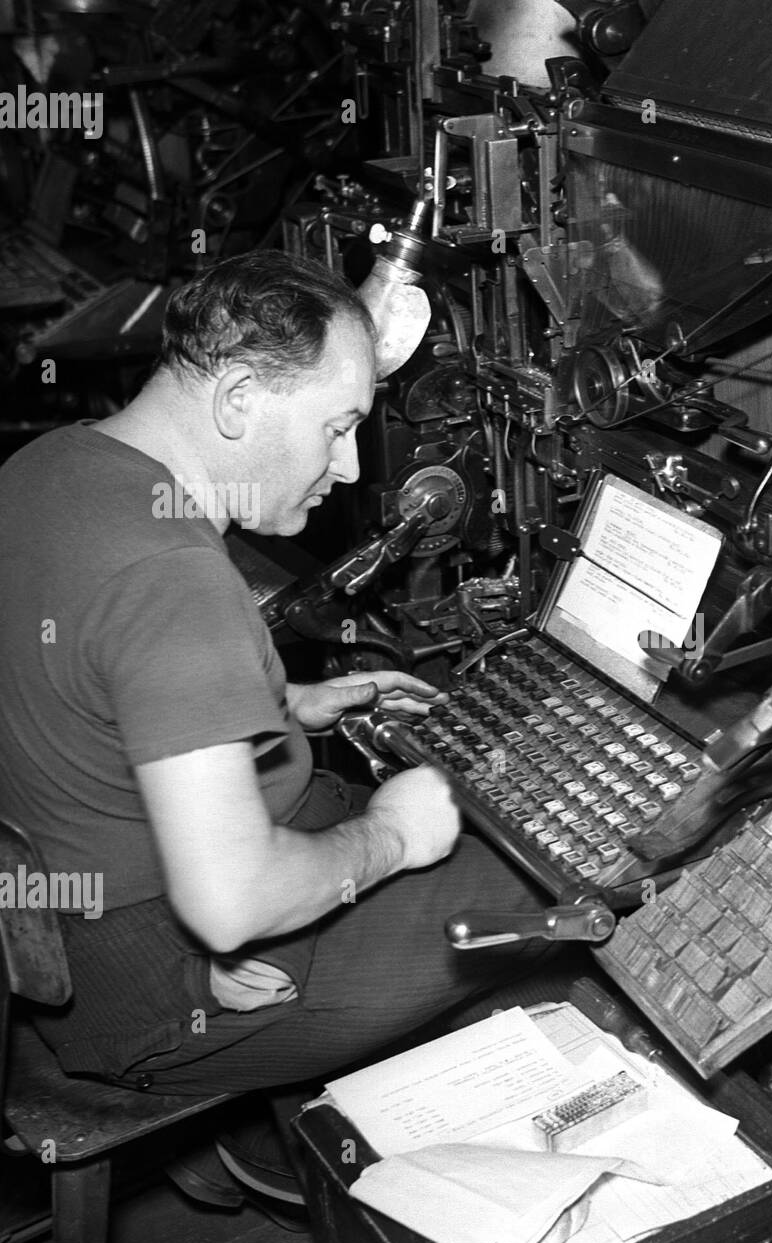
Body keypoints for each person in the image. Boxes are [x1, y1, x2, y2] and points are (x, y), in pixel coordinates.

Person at [0, 251, 547, 1125]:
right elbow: (231, 902)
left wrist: (280, 707)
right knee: (555, 888)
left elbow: (82, 688)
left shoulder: (49, 464)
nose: (351, 468)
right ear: (240, 399)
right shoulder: (171, 576)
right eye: (338, 426)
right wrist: (393, 837)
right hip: (151, 981)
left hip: (78, 908)